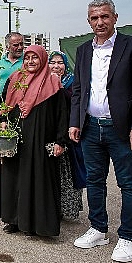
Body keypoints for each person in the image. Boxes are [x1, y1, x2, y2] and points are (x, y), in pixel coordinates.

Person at [70, 0, 132, 263]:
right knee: (94, 180)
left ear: (115, 18)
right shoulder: (83, 50)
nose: (100, 22)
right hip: (91, 128)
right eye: (94, 18)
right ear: (88, 22)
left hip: (121, 129)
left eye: (104, 17)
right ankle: (98, 229)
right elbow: (78, 90)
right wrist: (75, 121)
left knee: (128, 183)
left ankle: (128, 238)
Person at [0, 45, 69, 237]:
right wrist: (2, 121)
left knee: (39, 180)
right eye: (27, 57)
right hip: (15, 139)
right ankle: (14, 220)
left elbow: (62, 115)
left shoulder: (53, 83)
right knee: (14, 178)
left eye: (34, 58)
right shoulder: (15, 80)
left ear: (42, 59)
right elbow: (4, 105)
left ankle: (39, 225)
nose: (30, 61)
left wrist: (60, 141)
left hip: (40, 141)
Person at [49, 50, 85, 220]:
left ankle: (67, 210)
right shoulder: (43, 83)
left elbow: (75, 102)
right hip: (50, 134)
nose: (56, 66)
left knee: (69, 174)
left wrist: (59, 86)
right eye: (53, 62)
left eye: (60, 62)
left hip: (69, 134)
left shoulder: (73, 82)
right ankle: (51, 209)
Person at [0, 32, 25, 191]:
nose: (19, 47)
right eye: (15, 45)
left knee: (17, 141)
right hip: (0, 106)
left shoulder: (27, 61)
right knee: (0, 142)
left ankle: (16, 177)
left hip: (19, 106)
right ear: (7, 46)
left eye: (21, 44)